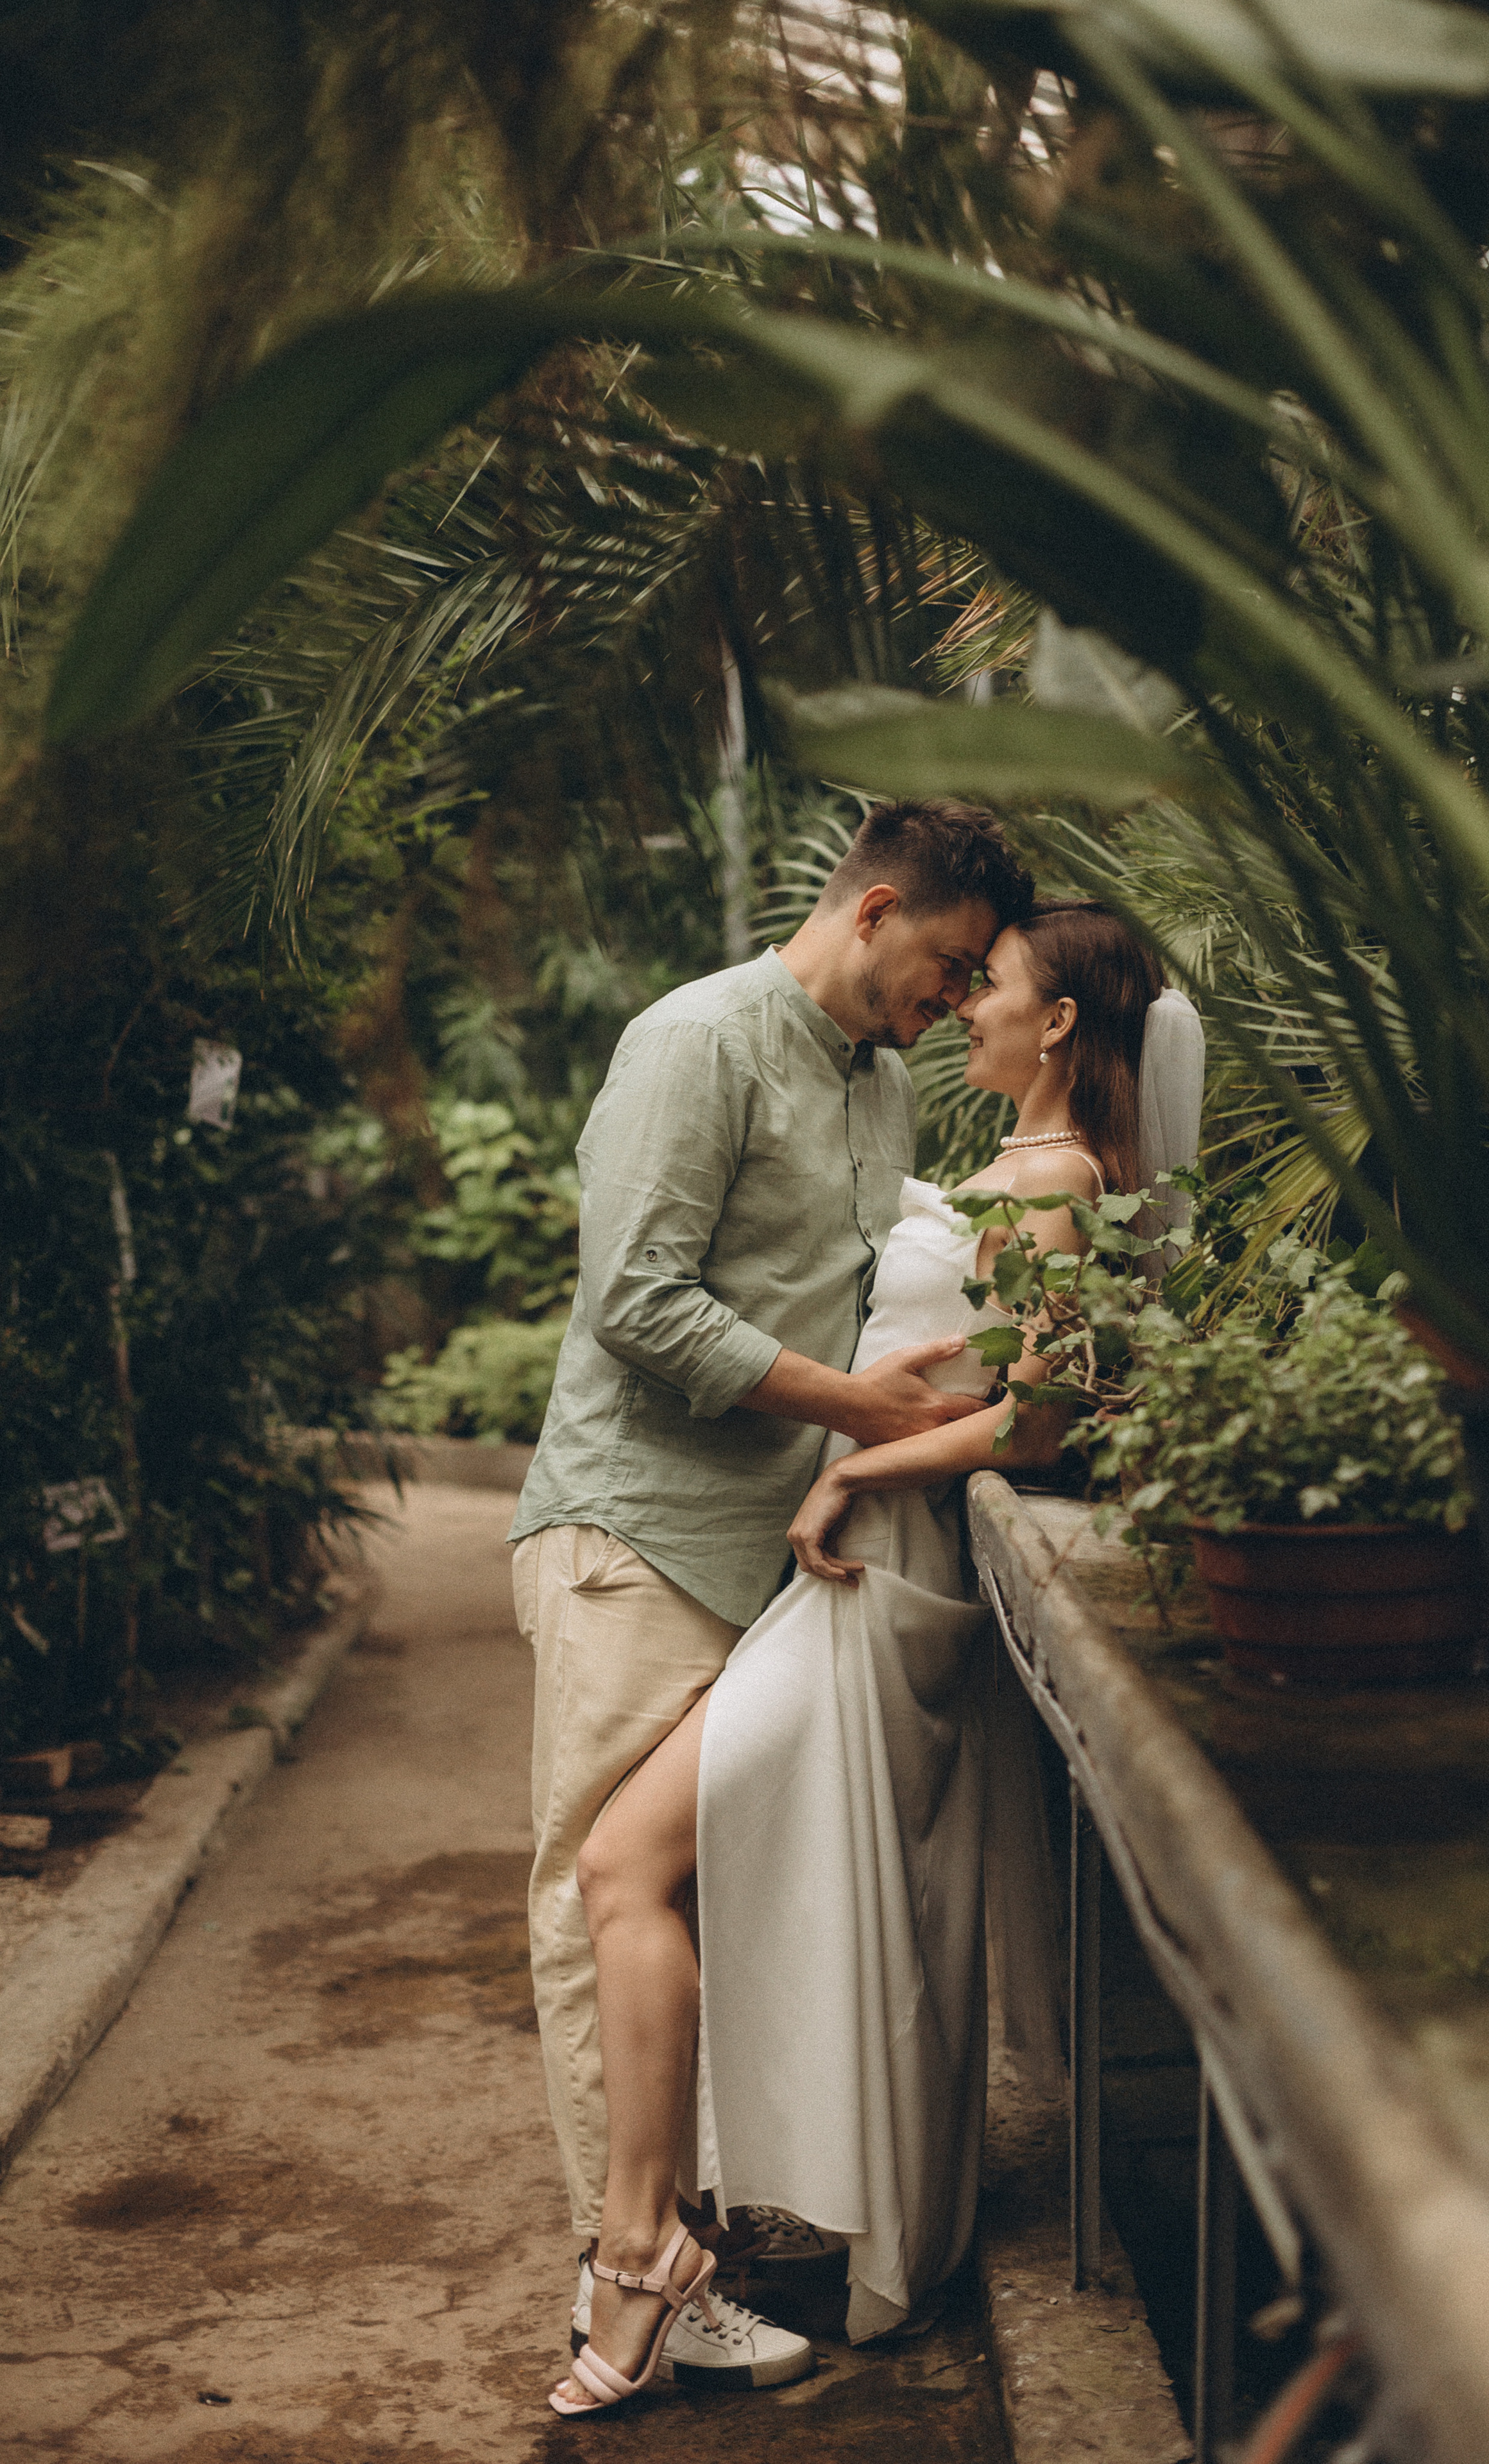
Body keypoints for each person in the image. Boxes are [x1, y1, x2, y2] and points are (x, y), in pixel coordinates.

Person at [552, 902, 1204, 2415]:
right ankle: (660, 2249)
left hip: (889, 1580)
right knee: (698, 1873)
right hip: (860, 1587)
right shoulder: (1019, 1166)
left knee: (624, 1861)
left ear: (1056, 1027)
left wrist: (857, 1466)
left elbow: (1043, 1415)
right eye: (967, 978)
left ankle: (642, 2258)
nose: (967, 1005)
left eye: (999, 987)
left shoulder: (1056, 1188)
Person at [509, 798, 1035, 2394]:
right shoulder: (698, 1042)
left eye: (967, 991)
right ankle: (633, 2277)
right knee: (602, 1890)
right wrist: (856, 1415)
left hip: (774, 1551)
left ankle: (684, 2244)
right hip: (635, 1528)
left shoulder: (877, 1086)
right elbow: (634, 1302)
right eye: (944, 970)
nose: (950, 1010)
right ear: (871, 911)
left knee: (693, 1882)